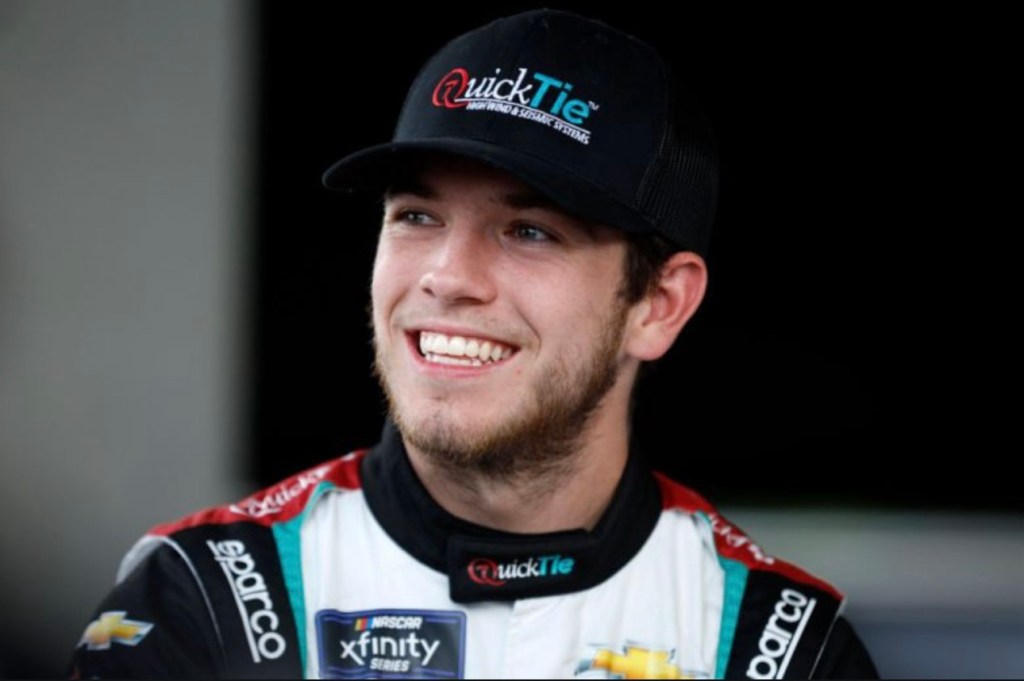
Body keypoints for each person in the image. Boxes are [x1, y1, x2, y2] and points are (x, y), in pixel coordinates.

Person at [69, 9, 877, 679]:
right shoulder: (203, 601)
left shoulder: (777, 650)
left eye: (529, 231)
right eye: (417, 217)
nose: (448, 277)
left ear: (659, 305)